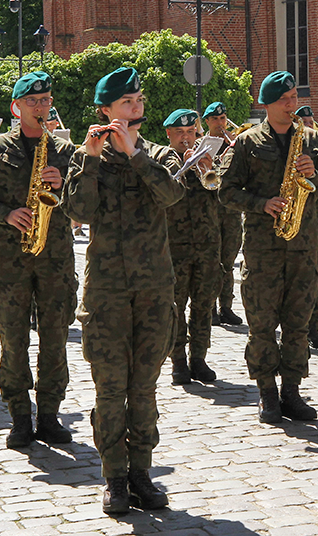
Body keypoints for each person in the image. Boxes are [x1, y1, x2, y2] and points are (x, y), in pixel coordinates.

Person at [63, 67, 182, 514]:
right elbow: (78, 211)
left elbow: (172, 196)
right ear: (106, 110)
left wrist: (135, 155)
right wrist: (92, 160)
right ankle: (114, 477)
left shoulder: (159, 156)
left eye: (139, 100)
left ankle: (141, 473)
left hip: (153, 289)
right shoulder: (86, 157)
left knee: (145, 387)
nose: (136, 108)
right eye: (127, 102)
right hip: (107, 293)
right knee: (111, 389)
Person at [219, 71, 318, 424]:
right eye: (285, 100)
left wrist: (315, 175)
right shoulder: (247, 142)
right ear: (268, 104)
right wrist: (261, 203)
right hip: (263, 249)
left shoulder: (313, 142)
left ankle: (292, 392)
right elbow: (226, 191)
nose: (293, 105)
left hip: (305, 248)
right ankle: (266, 393)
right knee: (261, 324)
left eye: (293, 98)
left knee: (298, 324)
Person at [0, 73, 77, 447]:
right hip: (12, 258)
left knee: (55, 337)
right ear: (17, 107)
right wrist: (6, 214)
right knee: (13, 338)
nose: (42, 107)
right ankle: (19, 416)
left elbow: (84, 202)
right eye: (34, 101)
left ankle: (49, 414)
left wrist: (65, 184)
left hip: (56, 257)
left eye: (46, 100)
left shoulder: (63, 150)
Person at [152, 109, 221, 385]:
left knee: (204, 304)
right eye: (179, 133)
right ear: (168, 135)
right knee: (176, 306)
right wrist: (181, 166)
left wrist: (208, 167)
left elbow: (222, 195)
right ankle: (178, 360)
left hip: (207, 245)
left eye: (190, 132)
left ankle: (199, 358)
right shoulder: (163, 165)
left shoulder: (209, 162)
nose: (186, 138)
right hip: (175, 247)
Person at [202, 102, 244, 326]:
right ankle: (209, 308)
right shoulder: (202, 146)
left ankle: (226, 306)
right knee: (210, 261)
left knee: (228, 261)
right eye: (215, 119)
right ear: (207, 121)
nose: (220, 123)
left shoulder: (236, 145)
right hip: (209, 212)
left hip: (231, 212)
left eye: (223, 118)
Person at [295, 105, 318, 349]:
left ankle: (314, 326)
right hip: (286, 222)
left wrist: (314, 174)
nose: (308, 123)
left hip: (314, 222)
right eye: (303, 119)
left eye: (310, 119)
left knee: (316, 274)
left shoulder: (317, 142)